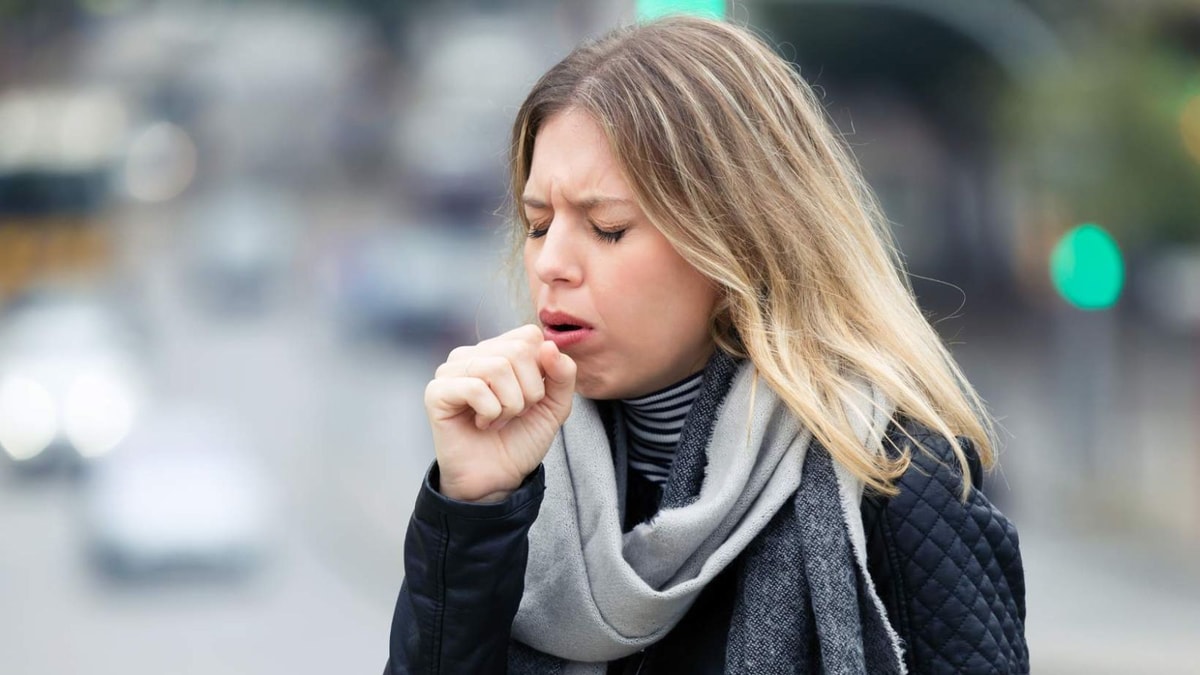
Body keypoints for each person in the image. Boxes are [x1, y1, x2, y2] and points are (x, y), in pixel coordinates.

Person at [385, 14, 1028, 675]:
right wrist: (471, 510)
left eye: (607, 228)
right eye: (539, 224)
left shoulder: (897, 482)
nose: (552, 263)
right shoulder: (517, 479)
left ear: (738, 242)